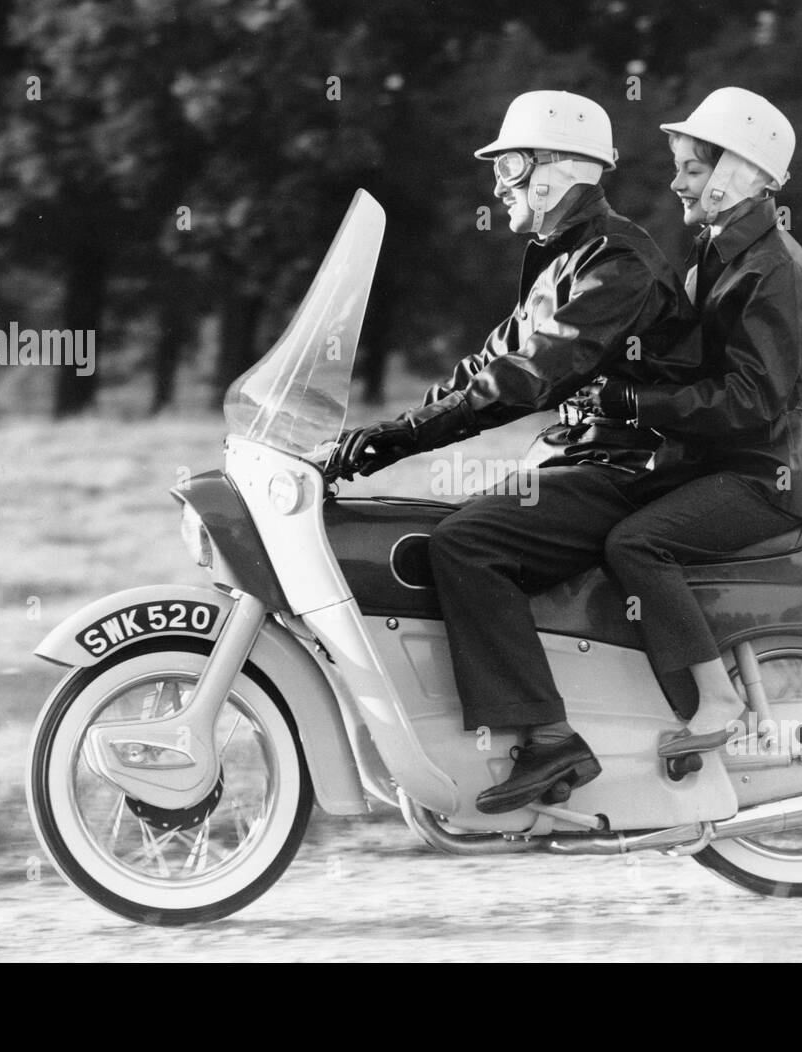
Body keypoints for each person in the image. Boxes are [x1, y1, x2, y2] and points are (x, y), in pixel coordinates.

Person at [331, 90, 702, 814]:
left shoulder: (616, 263)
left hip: (635, 467)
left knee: (469, 542)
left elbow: (528, 377)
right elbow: (484, 368)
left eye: (508, 167)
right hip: (588, 457)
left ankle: (548, 738)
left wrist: (400, 439)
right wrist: (374, 439)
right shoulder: (562, 260)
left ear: (551, 173)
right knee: (436, 524)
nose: (497, 184)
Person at [576, 87, 802, 758]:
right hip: (734, 464)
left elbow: (748, 401)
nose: (677, 182)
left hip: (766, 476)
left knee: (636, 544)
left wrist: (635, 405)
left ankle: (716, 700)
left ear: (737, 174)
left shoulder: (772, 270)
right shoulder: (722, 256)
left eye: (693, 169)